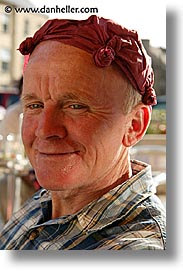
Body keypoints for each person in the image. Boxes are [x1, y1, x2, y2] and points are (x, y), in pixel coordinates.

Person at [0, 15, 166, 250]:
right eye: (34, 105)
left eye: (76, 106)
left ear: (134, 125)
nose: (45, 130)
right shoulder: (47, 204)